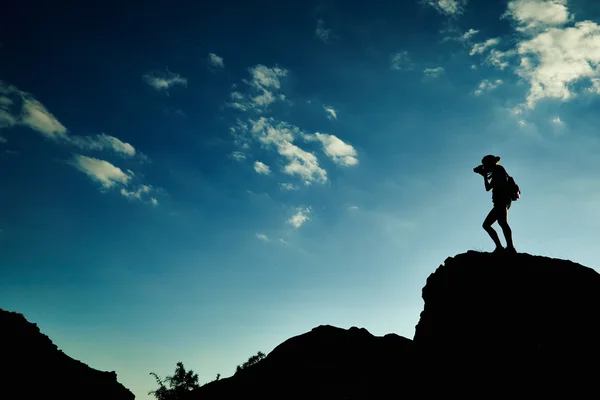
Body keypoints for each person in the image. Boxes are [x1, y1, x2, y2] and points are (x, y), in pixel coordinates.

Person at [475, 155, 516, 253]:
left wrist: (485, 175)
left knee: (499, 223)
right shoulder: (497, 171)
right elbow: (490, 186)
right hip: (501, 201)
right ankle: (503, 247)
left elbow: (488, 188)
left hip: (501, 201)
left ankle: (508, 247)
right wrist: (484, 175)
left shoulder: (498, 171)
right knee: (495, 224)